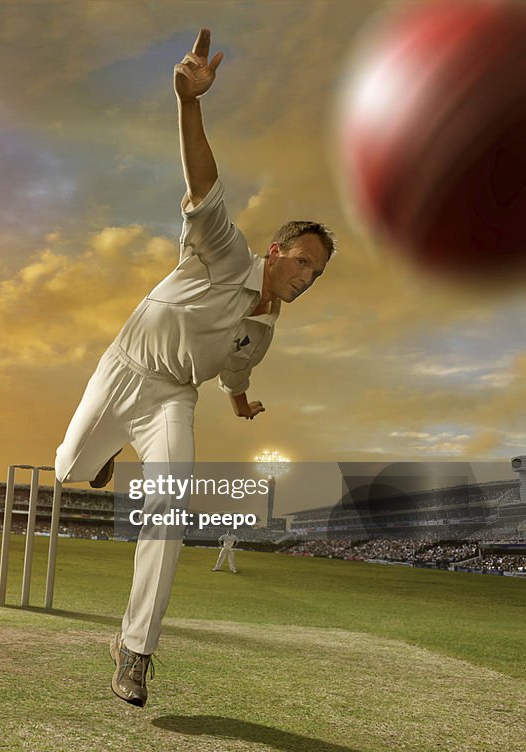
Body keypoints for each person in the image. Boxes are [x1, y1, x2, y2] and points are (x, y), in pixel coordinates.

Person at [53, 28, 335, 708]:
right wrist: (188, 104)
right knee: (66, 472)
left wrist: (239, 405)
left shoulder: (265, 330)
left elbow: (236, 373)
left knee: (172, 512)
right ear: (275, 249)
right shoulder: (223, 250)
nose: (307, 277)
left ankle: (134, 652)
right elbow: (203, 183)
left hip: (171, 400)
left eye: (318, 273)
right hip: (122, 368)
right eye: (302, 261)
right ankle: (95, 456)